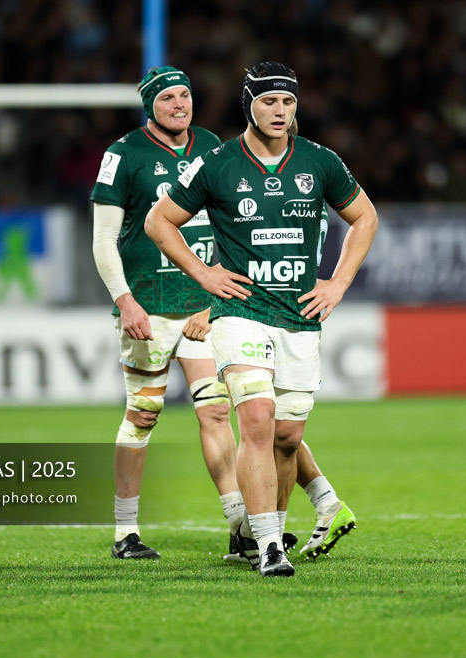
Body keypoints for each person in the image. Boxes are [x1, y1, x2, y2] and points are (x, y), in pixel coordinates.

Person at [145, 61, 378, 576]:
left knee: (287, 438)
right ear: (248, 103)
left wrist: (337, 283)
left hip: (299, 316)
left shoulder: (319, 161)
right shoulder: (220, 163)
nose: (280, 111)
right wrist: (205, 276)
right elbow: (158, 221)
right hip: (241, 312)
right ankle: (270, 546)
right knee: (255, 419)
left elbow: (365, 216)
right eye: (269, 101)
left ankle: (264, 526)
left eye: (288, 102)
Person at [91, 66, 243, 559]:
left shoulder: (214, 147)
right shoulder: (123, 154)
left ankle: (240, 525)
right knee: (143, 415)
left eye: (185, 95)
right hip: (149, 309)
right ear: (149, 106)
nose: (180, 105)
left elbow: (231, 228)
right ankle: (125, 532)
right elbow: (103, 241)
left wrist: (215, 296)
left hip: (200, 306)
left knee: (217, 410)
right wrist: (124, 299)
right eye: (168, 98)